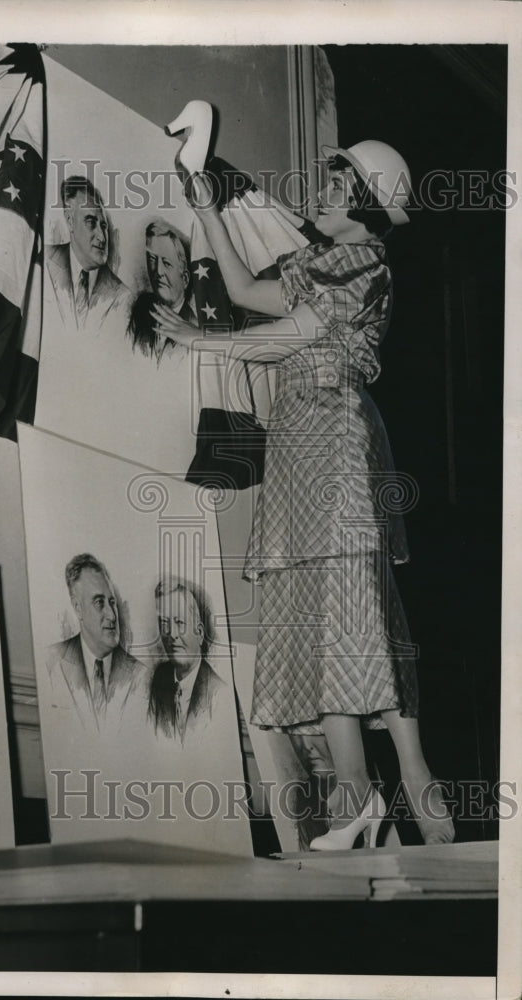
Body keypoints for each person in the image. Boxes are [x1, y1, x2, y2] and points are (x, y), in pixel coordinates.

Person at [154, 141, 454, 849]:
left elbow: (292, 333)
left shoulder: (365, 264)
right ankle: (366, 798)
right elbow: (244, 293)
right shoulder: (316, 260)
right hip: (297, 437)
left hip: (335, 438)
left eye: (337, 181)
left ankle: (406, 788)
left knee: (349, 604)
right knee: (327, 610)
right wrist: (207, 208)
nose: (323, 189)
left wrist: (204, 341)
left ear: (367, 203)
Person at [46, 554, 151, 735]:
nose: (112, 615)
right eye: (99, 603)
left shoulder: (140, 675)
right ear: (78, 608)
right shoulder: (51, 662)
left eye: (112, 603)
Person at [46, 175, 132, 331]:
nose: (102, 236)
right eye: (91, 222)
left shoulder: (122, 296)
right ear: (70, 221)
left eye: (103, 226)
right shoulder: (43, 261)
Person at [148, 576, 225, 744]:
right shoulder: (158, 680)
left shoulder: (218, 692)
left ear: (199, 633)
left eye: (179, 622)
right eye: (164, 624)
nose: (172, 634)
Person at [127, 222, 195, 361]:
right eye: (152, 260)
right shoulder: (140, 309)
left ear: (185, 279)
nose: (158, 271)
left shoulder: (194, 324)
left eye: (167, 263)